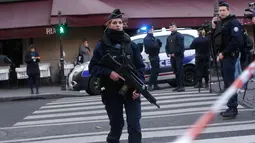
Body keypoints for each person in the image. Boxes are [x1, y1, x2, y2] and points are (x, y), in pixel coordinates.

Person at [88, 9, 145, 143]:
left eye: (120, 22)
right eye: (114, 22)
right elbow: (93, 67)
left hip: (131, 91)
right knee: (116, 125)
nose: (118, 25)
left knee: (134, 125)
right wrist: (109, 73)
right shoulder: (102, 46)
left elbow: (141, 67)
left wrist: (140, 87)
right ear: (108, 25)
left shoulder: (131, 44)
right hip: (112, 92)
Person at [211, 1, 244, 119]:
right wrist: (213, 28)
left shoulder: (233, 22)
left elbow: (237, 41)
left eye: (224, 10)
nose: (221, 12)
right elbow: (215, 40)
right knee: (227, 83)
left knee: (230, 83)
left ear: (228, 10)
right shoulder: (221, 23)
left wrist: (224, 53)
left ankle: (233, 108)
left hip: (230, 56)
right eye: (220, 10)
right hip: (223, 56)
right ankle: (230, 106)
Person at [165, 22, 185, 92]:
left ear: (176, 27)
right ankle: (178, 85)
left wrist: (175, 53)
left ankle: (182, 86)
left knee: (180, 71)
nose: (171, 28)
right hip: (172, 57)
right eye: (170, 27)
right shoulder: (169, 37)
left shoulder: (179, 36)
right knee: (175, 71)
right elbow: (166, 46)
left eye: (173, 27)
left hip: (178, 56)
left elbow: (181, 46)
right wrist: (168, 53)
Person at [143, 25, 162, 91]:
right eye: (152, 29)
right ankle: (150, 85)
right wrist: (157, 43)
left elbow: (158, 46)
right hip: (152, 56)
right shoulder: (147, 38)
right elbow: (152, 47)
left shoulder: (152, 37)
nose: (153, 30)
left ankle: (155, 84)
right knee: (154, 71)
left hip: (156, 55)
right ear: (149, 30)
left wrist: (158, 43)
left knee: (157, 71)